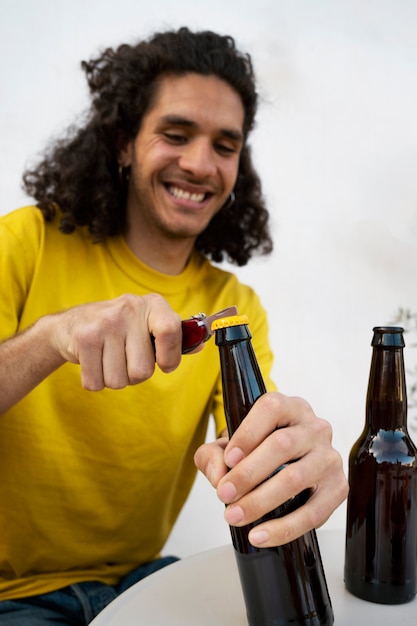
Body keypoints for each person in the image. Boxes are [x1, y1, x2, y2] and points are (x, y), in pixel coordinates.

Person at [0, 27, 348, 624]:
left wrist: (292, 454)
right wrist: (51, 337)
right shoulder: (23, 242)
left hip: (142, 579)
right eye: (176, 134)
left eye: (224, 145)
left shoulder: (233, 306)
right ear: (123, 143)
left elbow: (247, 443)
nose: (198, 164)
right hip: (16, 595)